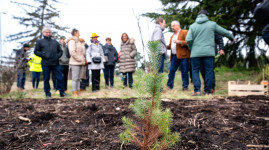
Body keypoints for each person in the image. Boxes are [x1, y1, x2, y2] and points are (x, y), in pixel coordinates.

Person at [186, 10, 234, 96]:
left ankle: (197, 91)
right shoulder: (212, 24)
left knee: (195, 71)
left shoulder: (192, 26)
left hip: (195, 53)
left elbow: (188, 39)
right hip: (208, 53)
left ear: (197, 16)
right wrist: (231, 37)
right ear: (206, 16)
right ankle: (207, 91)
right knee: (209, 71)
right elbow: (223, 31)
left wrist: (191, 49)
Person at [34, 27, 69, 98]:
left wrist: (57, 56)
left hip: (55, 63)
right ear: (43, 33)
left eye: (49, 32)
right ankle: (47, 93)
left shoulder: (55, 42)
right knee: (46, 79)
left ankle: (62, 92)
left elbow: (60, 51)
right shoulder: (40, 42)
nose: (48, 33)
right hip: (45, 63)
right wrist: (43, 55)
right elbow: (36, 51)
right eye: (46, 32)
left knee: (60, 78)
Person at [166, 20, 190, 91]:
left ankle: (185, 87)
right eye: (171, 26)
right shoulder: (172, 36)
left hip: (183, 56)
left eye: (173, 26)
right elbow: (170, 46)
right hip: (174, 56)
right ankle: (169, 86)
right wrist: (164, 46)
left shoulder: (185, 32)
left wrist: (179, 42)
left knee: (184, 72)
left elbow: (189, 42)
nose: (172, 27)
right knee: (171, 71)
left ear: (178, 26)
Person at [66, 29, 87, 97]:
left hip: (80, 62)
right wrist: (80, 59)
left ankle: (77, 90)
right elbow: (72, 52)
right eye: (78, 32)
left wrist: (82, 59)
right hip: (74, 63)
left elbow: (81, 52)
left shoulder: (78, 42)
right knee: (75, 78)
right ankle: (74, 91)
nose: (79, 33)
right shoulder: (72, 41)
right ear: (75, 33)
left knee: (78, 78)